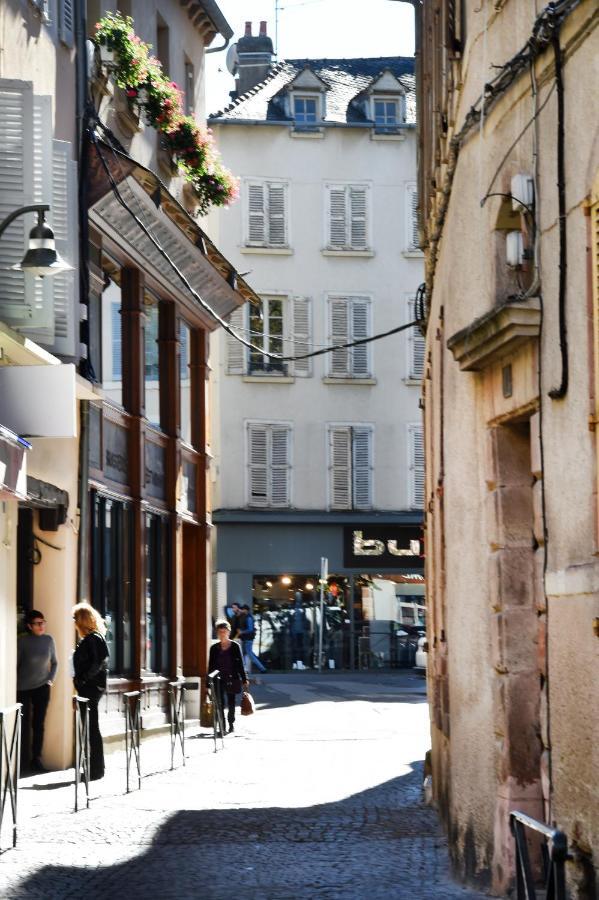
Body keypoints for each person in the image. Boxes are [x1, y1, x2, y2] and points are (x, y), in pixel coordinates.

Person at [17, 609, 58, 773]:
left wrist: (50, 680)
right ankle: (19, 759)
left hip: (42, 688)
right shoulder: (22, 642)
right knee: (22, 722)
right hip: (23, 688)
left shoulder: (49, 640)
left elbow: (55, 663)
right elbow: (15, 664)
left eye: (43, 622)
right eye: (38, 623)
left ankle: (36, 759)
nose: (42, 626)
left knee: (38, 724)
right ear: (29, 625)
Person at [72, 603, 109, 781]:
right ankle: (95, 768)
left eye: (75, 619)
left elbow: (97, 663)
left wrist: (83, 679)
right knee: (91, 727)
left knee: (91, 728)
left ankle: (95, 770)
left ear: (81, 620)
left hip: (90, 688)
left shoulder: (93, 639)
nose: (74, 623)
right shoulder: (94, 638)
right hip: (91, 687)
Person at [208, 619, 248, 734]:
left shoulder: (235, 646)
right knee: (219, 703)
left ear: (228, 632)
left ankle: (231, 723)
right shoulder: (214, 648)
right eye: (220, 632)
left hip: (232, 678)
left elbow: (240, 663)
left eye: (224, 631)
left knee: (231, 703)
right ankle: (222, 727)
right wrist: (207, 683)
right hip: (218, 679)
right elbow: (210, 666)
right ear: (217, 633)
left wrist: (244, 679)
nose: (222, 634)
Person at [239, 604, 267, 674]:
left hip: (248, 639)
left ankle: (262, 668)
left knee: (249, 654)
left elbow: (250, 629)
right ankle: (247, 669)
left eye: (242, 609)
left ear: (246, 610)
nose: (241, 610)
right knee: (248, 653)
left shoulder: (248, 618)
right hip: (246, 638)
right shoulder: (246, 617)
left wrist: (242, 632)